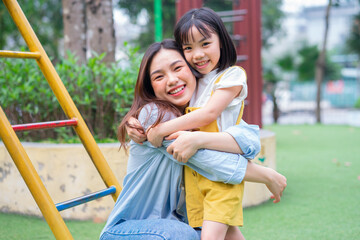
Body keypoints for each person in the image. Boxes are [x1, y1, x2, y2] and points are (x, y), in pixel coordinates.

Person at [130, 7, 287, 240]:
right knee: (230, 234)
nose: (198, 54)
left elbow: (208, 114)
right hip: (197, 178)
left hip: (221, 179)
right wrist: (133, 121)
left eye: (205, 44)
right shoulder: (195, 81)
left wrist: (161, 129)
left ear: (221, 42)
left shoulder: (231, 76)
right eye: (188, 48)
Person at [100, 39, 263, 240]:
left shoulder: (197, 115)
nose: (172, 80)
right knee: (185, 234)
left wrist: (200, 138)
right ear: (151, 88)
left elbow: (249, 139)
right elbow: (210, 160)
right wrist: (267, 176)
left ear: (192, 70)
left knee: (213, 224)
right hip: (127, 231)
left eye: (177, 68)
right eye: (159, 76)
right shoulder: (156, 115)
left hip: (169, 228)